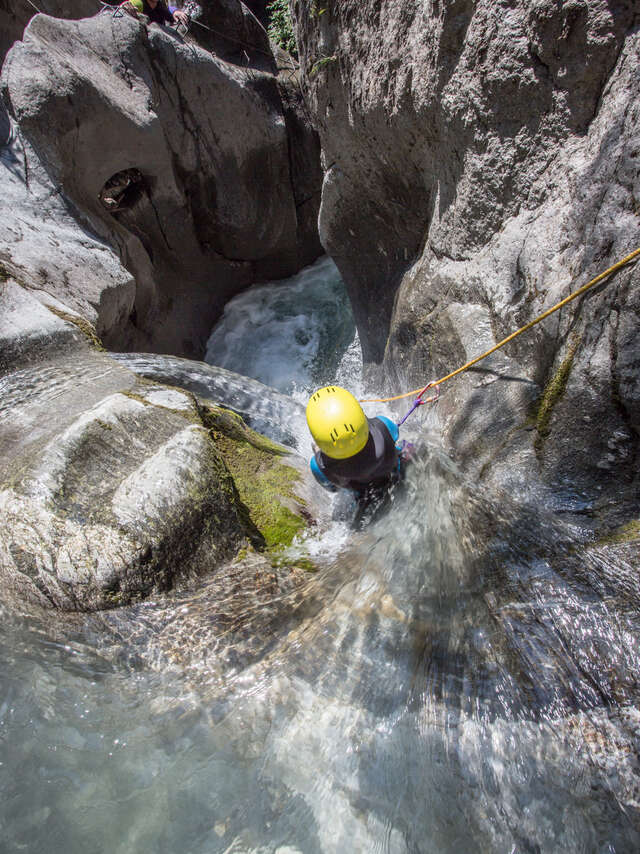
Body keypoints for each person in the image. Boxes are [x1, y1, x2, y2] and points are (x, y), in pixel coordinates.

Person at [306, 385, 405, 495]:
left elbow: (333, 489)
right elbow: (395, 432)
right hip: (397, 473)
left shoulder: (320, 467)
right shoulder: (383, 425)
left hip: (365, 496)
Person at [119, 0, 189, 29]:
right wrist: (126, 7)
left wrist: (174, 11)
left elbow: (167, 9)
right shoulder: (138, 3)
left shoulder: (159, 5)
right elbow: (126, 6)